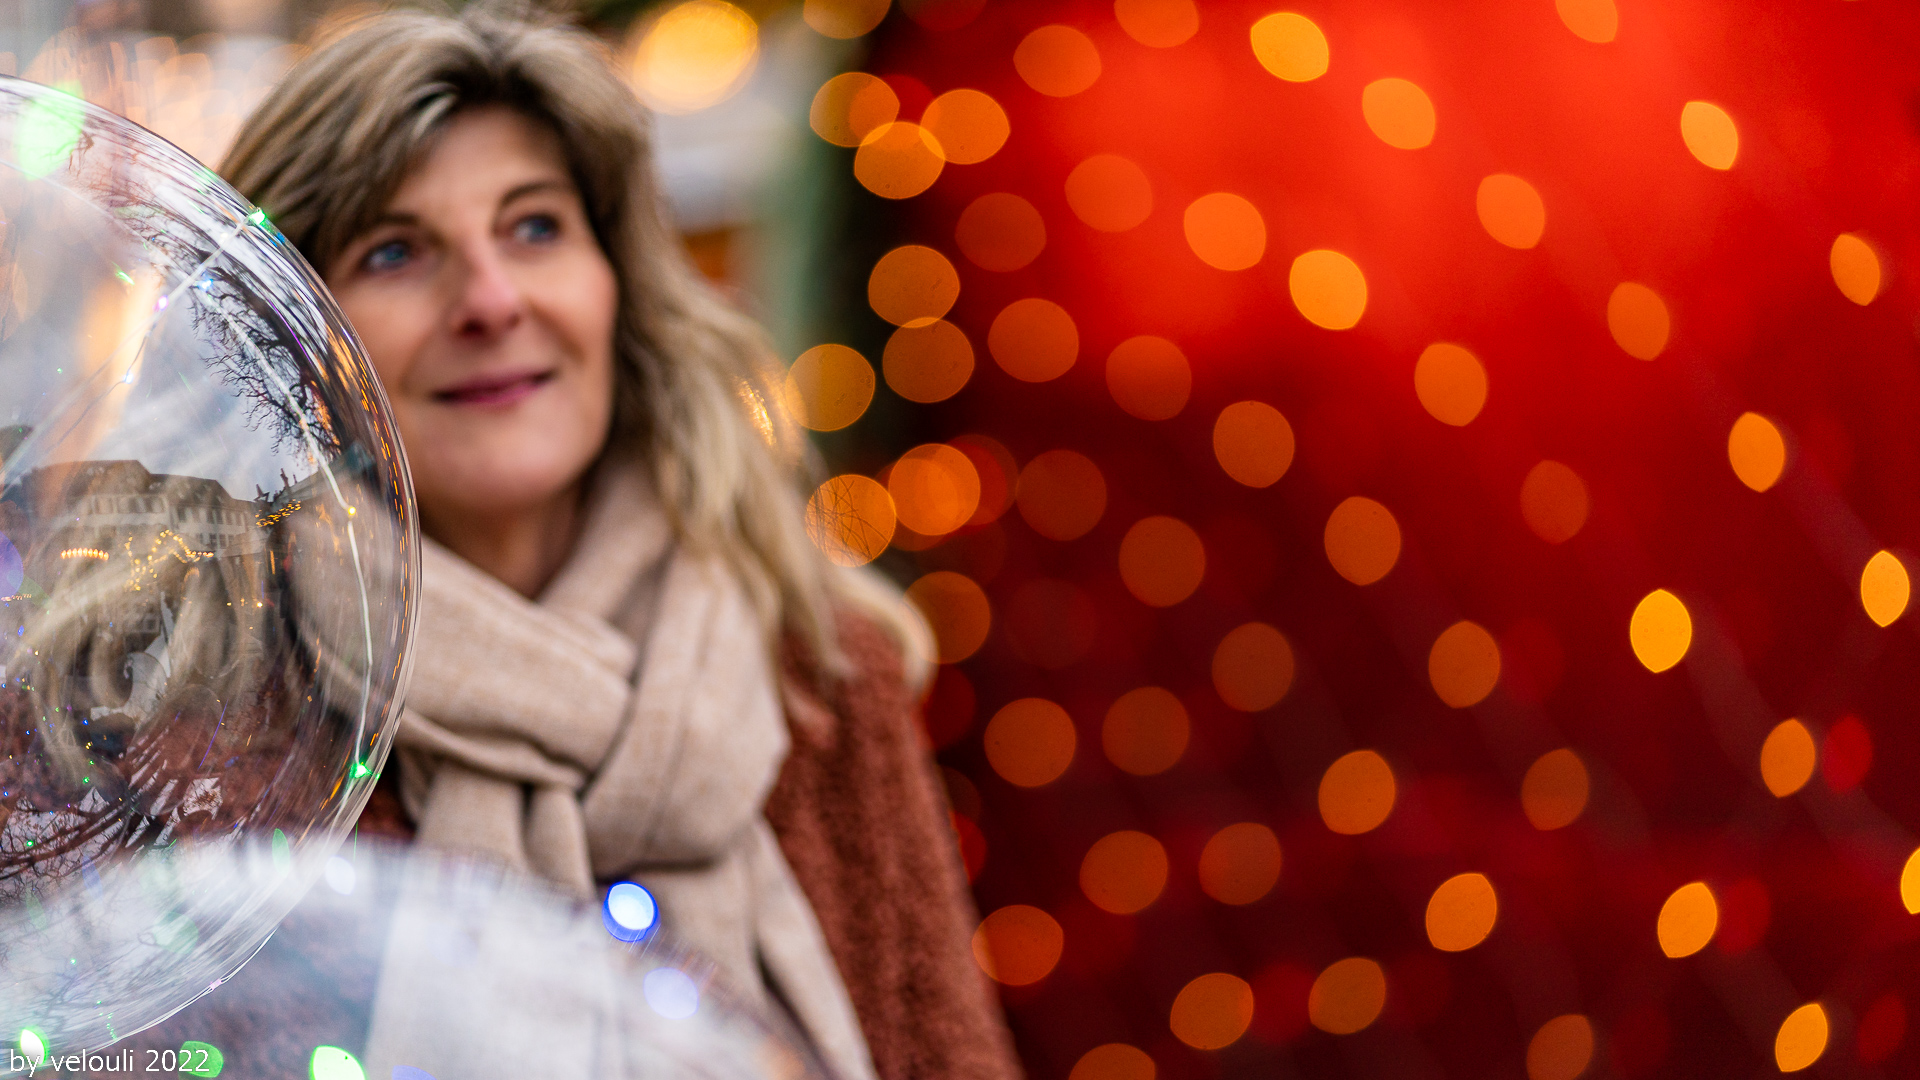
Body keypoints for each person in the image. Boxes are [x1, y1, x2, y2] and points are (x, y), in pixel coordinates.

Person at [217, 6, 1019, 1079]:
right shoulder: (221, 731)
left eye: (536, 226)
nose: (493, 300)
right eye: (397, 250)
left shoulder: (820, 675)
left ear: (618, 284)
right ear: (288, 335)